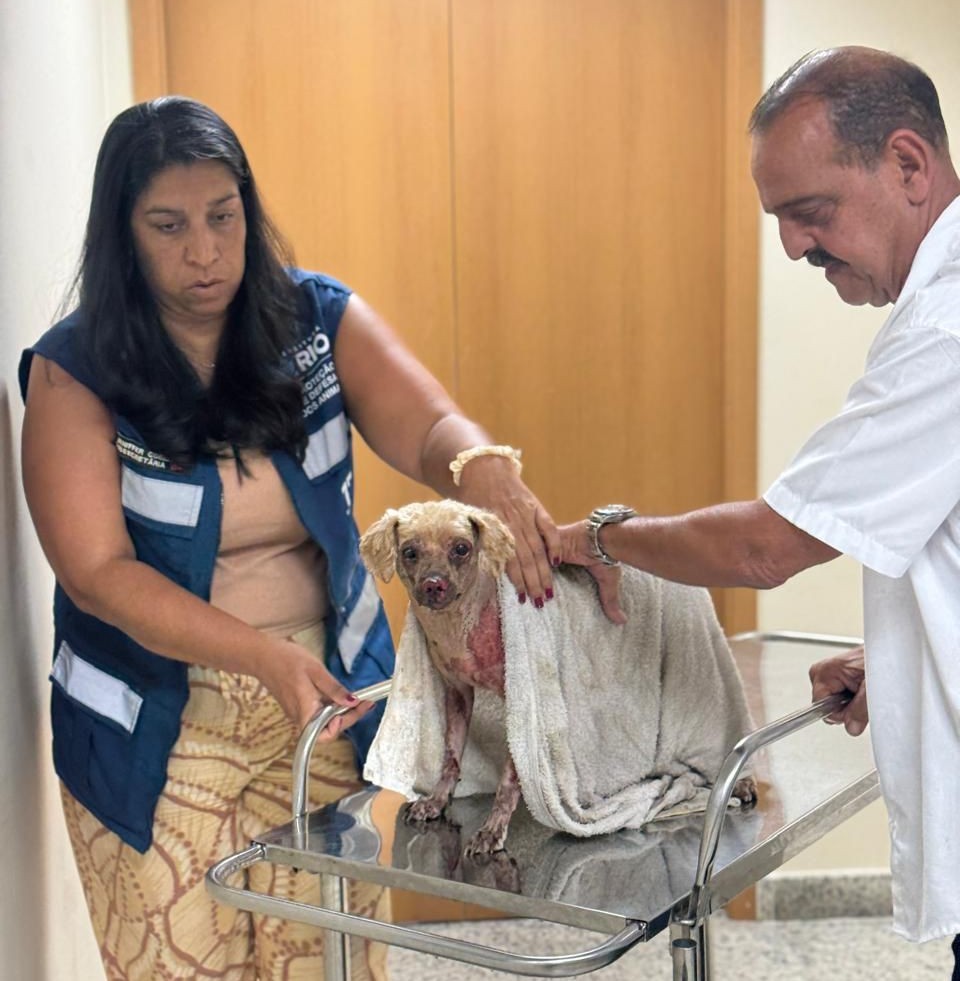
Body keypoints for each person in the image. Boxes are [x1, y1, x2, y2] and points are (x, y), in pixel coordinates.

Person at [19, 96, 560, 980]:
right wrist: (258, 657)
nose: (205, 251)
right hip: (154, 723)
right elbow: (97, 572)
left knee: (330, 960)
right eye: (168, 226)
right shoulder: (74, 369)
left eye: (223, 216)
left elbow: (429, 428)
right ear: (123, 235)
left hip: (320, 705)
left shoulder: (315, 318)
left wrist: (480, 464)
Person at [559, 46, 960, 966]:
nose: (792, 247)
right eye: (778, 219)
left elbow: (764, 549)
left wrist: (599, 538)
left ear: (907, 163)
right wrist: (908, 654)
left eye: (809, 212)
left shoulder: (947, 329)